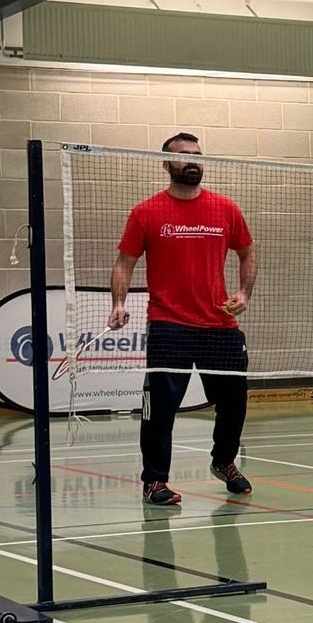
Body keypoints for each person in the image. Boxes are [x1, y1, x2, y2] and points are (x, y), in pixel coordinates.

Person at [109, 133, 257, 507]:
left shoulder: (226, 209)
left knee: (235, 401)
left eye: (197, 155)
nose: (192, 161)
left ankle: (224, 462)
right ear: (166, 164)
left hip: (219, 325)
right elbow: (125, 262)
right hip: (168, 324)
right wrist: (118, 303)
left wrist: (243, 293)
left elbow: (247, 252)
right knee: (158, 408)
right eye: (183, 155)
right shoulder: (146, 212)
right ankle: (154, 481)